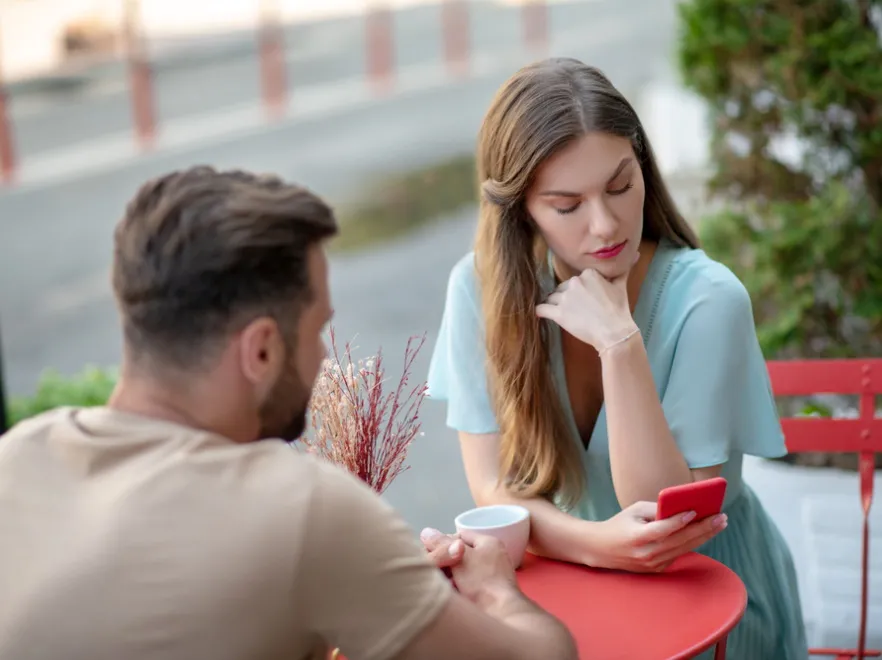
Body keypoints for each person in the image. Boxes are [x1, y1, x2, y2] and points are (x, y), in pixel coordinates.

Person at [0, 166, 577, 660]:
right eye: (316, 330)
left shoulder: (17, 459)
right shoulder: (300, 508)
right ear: (261, 351)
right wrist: (494, 590)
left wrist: (369, 593)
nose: (325, 354)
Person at [427, 58, 808, 659]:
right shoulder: (480, 289)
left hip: (711, 601)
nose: (605, 225)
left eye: (620, 185)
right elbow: (494, 488)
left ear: (644, 170)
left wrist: (619, 344)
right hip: (576, 593)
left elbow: (659, 517)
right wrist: (596, 546)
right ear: (521, 208)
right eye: (567, 204)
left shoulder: (709, 301)